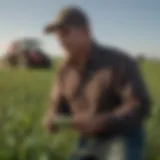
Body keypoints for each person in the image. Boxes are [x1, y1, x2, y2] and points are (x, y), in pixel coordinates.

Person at [43, 6, 151, 160]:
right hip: (88, 139)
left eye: (65, 33)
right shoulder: (64, 71)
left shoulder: (118, 62)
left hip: (122, 137)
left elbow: (140, 105)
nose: (60, 40)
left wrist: (102, 122)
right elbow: (59, 105)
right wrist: (52, 117)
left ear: (86, 32)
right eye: (57, 35)